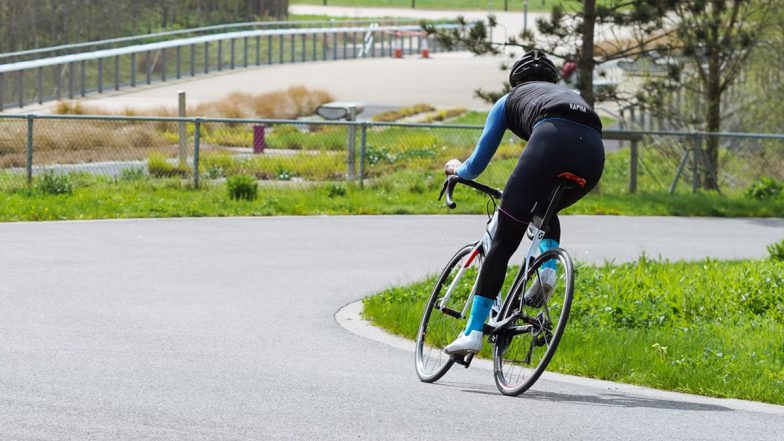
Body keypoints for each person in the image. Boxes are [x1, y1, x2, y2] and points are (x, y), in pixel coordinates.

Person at [443, 49, 605, 355]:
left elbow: (475, 165)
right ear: (552, 80)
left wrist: (456, 169)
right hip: (594, 152)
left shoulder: (509, 100)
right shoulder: (570, 94)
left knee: (504, 239)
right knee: (544, 207)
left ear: (515, 82)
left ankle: (473, 331)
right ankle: (547, 269)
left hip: (551, 140)